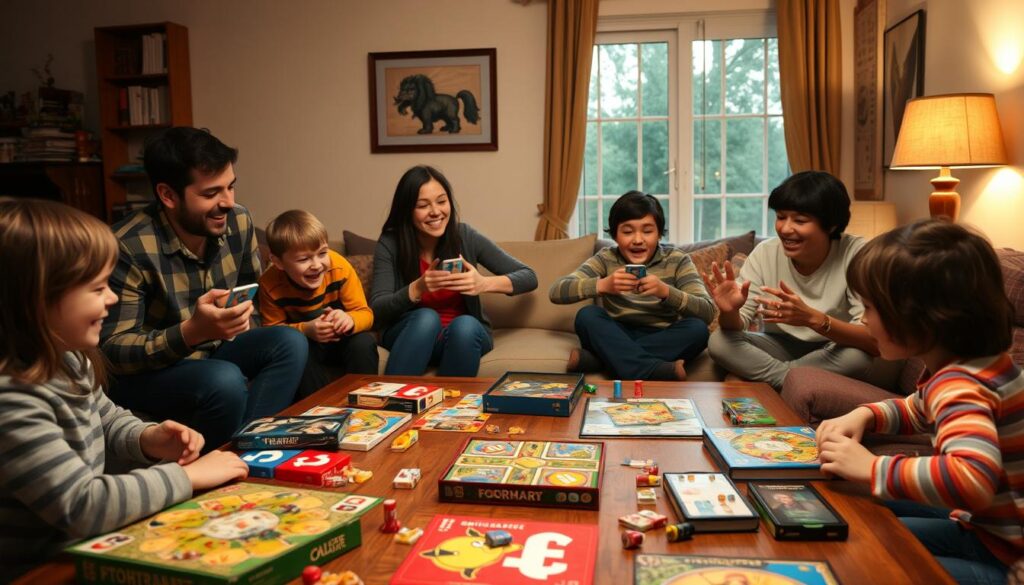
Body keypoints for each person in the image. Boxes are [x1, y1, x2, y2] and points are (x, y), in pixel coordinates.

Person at [0, 198, 248, 576]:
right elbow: (83, 505)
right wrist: (186, 476)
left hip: (84, 549)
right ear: (38, 299)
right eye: (98, 288)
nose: (112, 298)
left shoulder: (70, 359)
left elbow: (107, 418)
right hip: (41, 570)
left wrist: (149, 437)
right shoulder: (12, 400)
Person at [816, 219, 1021, 585]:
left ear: (919, 319)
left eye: (870, 308)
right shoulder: (973, 365)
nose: (863, 319)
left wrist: (872, 468)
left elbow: (972, 478)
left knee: (869, 562)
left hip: (1006, 561)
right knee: (872, 535)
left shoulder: (961, 387)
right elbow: (916, 408)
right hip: (988, 532)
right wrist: (865, 414)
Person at [101, 127, 307, 449]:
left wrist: (239, 322)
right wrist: (190, 333)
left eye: (231, 187)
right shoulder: (126, 246)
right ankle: (208, 472)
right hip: (149, 371)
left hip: (215, 351)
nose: (227, 202)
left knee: (289, 341)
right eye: (211, 194)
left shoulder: (239, 222)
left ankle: (251, 448)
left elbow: (249, 296)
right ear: (168, 195)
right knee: (223, 379)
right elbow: (113, 351)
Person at [703, 170, 883, 390]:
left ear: (832, 225)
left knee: (857, 358)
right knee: (719, 342)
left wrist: (813, 319)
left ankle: (772, 382)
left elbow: (873, 340)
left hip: (836, 348)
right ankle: (792, 382)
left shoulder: (857, 255)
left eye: (800, 220)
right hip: (781, 346)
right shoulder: (765, 253)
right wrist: (730, 311)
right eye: (780, 217)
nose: (786, 229)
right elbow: (735, 328)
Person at [371, 165, 537, 376]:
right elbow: (376, 309)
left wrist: (483, 284)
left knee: (466, 325)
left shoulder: (464, 236)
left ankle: (451, 407)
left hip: (461, 339)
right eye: (423, 205)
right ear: (406, 211)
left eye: (442, 201)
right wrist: (417, 288)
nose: (436, 212)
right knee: (426, 318)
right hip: (411, 335)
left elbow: (529, 276)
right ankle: (395, 403)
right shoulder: (391, 243)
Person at [549, 191, 713, 380]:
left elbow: (707, 311)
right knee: (587, 315)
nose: (637, 239)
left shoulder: (677, 260)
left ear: (659, 234)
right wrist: (602, 285)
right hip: (614, 332)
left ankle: (604, 360)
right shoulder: (606, 258)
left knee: (698, 329)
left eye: (647, 231)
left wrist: (666, 292)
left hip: (662, 335)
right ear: (615, 236)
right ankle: (650, 369)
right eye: (627, 232)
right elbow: (556, 291)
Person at [258, 209, 378, 396]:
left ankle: (366, 402)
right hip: (306, 345)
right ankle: (322, 410)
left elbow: (366, 314)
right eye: (304, 259)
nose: (316, 264)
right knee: (297, 353)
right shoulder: (269, 283)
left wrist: (349, 319)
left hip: (340, 340)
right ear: (278, 262)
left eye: (322, 253)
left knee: (363, 343)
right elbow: (273, 332)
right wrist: (306, 329)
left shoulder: (339, 267)